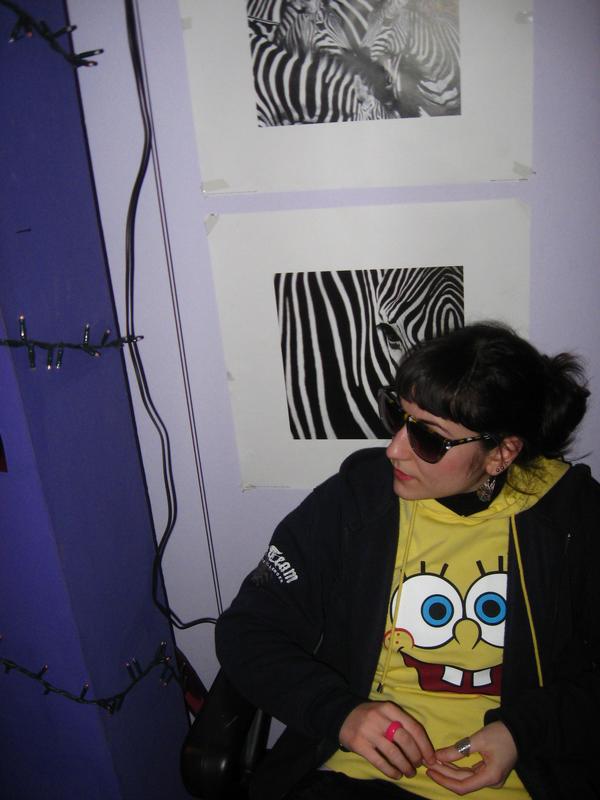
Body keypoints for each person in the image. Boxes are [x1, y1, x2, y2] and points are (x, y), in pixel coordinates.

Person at [215, 321, 600, 800]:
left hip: (518, 781)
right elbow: (247, 630)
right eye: (397, 415)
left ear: (501, 453)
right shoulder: (355, 502)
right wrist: (341, 713)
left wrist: (524, 733)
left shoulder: (573, 521)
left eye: (429, 438)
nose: (394, 448)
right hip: (359, 776)